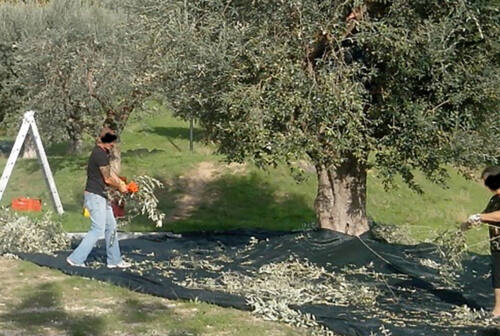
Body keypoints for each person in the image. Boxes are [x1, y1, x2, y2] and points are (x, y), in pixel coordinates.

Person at [66, 128, 131, 269]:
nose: (113, 144)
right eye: (110, 142)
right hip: (95, 196)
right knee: (98, 228)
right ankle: (76, 259)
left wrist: (121, 183)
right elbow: (107, 179)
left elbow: (110, 173)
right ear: (103, 140)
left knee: (111, 227)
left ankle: (114, 260)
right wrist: (120, 187)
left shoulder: (103, 153)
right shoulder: (98, 154)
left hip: (102, 196)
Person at [464, 166, 500, 317]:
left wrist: (481, 217)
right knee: (498, 278)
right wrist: (467, 224)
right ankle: (498, 311)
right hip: (497, 246)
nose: (486, 186)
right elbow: (487, 215)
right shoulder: (494, 199)